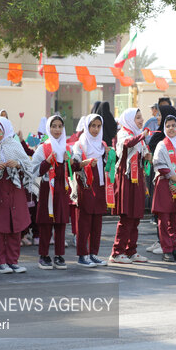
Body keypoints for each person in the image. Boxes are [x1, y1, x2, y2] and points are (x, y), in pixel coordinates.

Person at [0, 116, 32, 273]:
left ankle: (13, 261)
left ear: (5, 129)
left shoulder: (15, 145)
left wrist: (18, 164)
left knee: (16, 226)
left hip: (15, 189)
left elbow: (28, 166)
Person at [111, 108, 151, 264]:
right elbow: (127, 144)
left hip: (137, 180)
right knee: (126, 217)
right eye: (137, 117)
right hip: (126, 180)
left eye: (141, 117)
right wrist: (142, 136)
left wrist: (147, 157)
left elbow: (141, 157)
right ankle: (117, 252)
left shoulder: (138, 135)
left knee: (136, 218)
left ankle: (131, 251)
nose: (141, 120)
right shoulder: (124, 133)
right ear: (129, 119)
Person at [32, 115, 72, 270]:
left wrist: (74, 163)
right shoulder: (44, 147)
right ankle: (43, 255)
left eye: (60, 126)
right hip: (47, 191)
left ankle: (59, 255)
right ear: (49, 128)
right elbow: (34, 170)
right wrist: (47, 161)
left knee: (61, 223)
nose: (57, 129)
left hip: (62, 191)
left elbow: (70, 171)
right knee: (45, 224)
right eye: (54, 126)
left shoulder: (67, 148)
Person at [71, 114, 111, 267]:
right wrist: (84, 163)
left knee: (97, 222)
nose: (95, 129)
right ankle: (82, 255)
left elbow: (108, 165)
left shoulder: (102, 145)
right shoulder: (80, 145)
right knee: (84, 222)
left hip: (100, 185)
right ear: (86, 127)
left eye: (98, 126)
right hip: (85, 186)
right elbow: (73, 166)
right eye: (92, 126)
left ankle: (94, 253)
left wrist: (109, 155)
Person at [152, 115, 176, 262]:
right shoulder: (161, 145)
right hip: (164, 185)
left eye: (174, 125)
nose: (171, 128)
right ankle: (167, 249)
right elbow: (160, 165)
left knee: (175, 218)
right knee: (164, 219)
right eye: (168, 126)